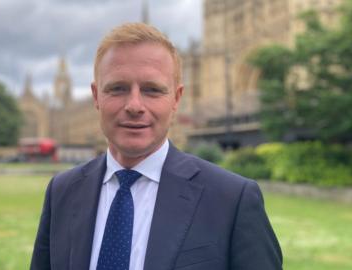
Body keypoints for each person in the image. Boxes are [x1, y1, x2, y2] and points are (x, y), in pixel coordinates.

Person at [30, 22, 282, 270]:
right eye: (118, 89)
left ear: (176, 98)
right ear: (97, 96)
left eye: (152, 90)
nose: (135, 105)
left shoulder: (232, 199)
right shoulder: (61, 192)